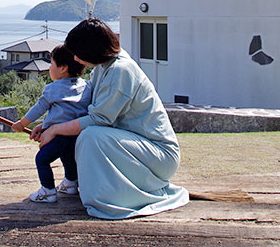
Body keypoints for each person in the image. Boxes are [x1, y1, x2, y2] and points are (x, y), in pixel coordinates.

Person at [38, 18, 189, 220]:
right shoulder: (104, 66)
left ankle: (110, 197)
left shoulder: (120, 70)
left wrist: (54, 130)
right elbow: (84, 108)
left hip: (159, 156)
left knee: (90, 136)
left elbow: (97, 120)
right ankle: (99, 191)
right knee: (88, 135)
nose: (75, 58)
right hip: (138, 147)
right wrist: (49, 125)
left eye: (79, 53)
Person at [12, 44, 92, 203]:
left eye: (51, 64)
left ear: (62, 68)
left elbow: (39, 109)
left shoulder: (52, 89)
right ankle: (70, 183)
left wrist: (22, 123)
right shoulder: (86, 86)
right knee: (68, 158)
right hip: (78, 135)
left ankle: (48, 190)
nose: (49, 68)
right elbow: (65, 114)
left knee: (42, 159)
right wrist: (44, 126)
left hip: (60, 136)